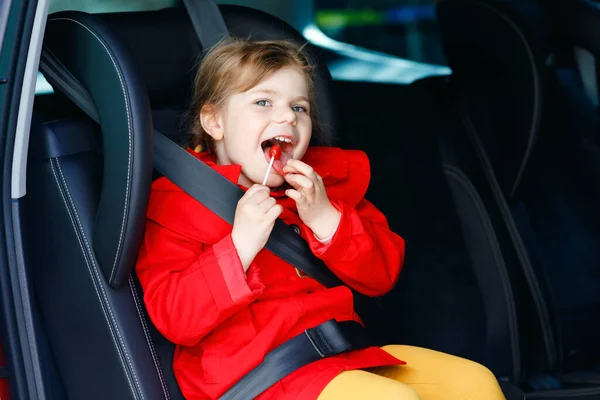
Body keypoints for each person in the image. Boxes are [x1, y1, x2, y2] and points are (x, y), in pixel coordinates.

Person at [135, 38, 506, 400]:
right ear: (215, 122)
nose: (286, 117)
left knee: (474, 383)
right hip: (256, 378)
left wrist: (327, 219)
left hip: (345, 358)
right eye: (263, 102)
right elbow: (175, 317)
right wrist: (238, 247)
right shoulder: (176, 203)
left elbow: (382, 276)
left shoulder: (321, 189)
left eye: (300, 108)